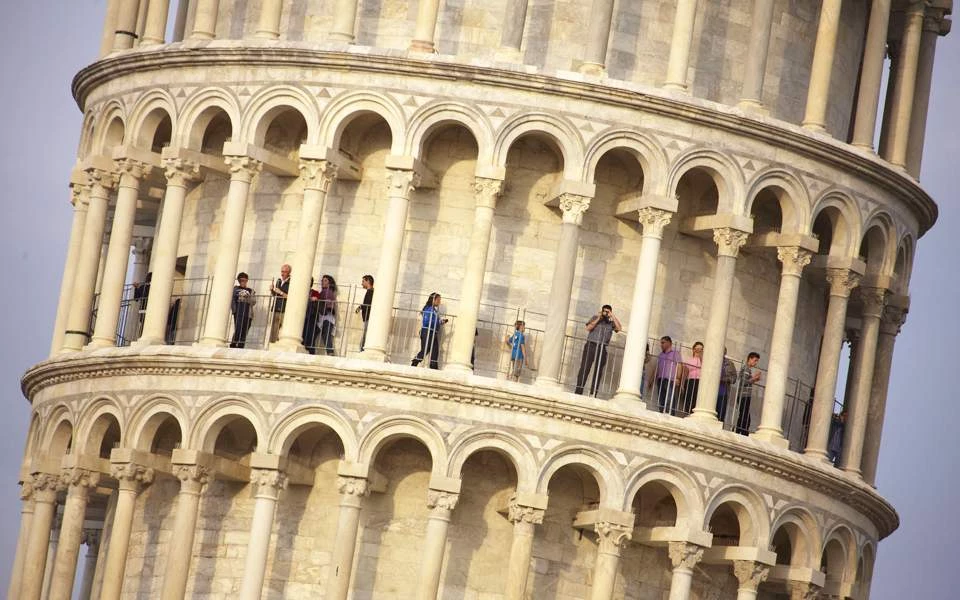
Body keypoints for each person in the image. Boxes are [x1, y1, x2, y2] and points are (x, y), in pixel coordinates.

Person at [574, 305, 622, 396]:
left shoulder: (611, 323)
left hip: (602, 347)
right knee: (584, 368)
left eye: (608, 311)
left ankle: (593, 393)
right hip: (591, 345)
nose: (606, 313)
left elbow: (619, 328)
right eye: (604, 311)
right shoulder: (595, 318)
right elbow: (588, 328)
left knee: (598, 371)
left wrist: (612, 316)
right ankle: (578, 391)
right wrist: (599, 317)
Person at [411, 292, 446, 369]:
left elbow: (433, 321)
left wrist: (441, 322)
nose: (439, 302)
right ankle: (415, 361)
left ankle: (433, 366)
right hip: (427, 332)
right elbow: (427, 322)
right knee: (425, 349)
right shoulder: (428, 309)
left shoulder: (434, 310)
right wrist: (438, 322)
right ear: (433, 300)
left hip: (433, 332)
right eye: (438, 300)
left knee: (435, 350)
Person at [654, 336, 683, 414]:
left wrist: (678, 378)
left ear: (669, 343)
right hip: (660, 379)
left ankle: (670, 414)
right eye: (661, 343)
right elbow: (657, 367)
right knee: (661, 398)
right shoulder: (660, 355)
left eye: (663, 343)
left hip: (670, 379)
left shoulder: (675, 353)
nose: (661, 345)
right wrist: (653, 379)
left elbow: (679, 365)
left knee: (670, 398)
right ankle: (662, 413)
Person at [736, 352, 762, 435]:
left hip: (745, 395)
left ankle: (740, 431)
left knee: (744, 415)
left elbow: (747, 382)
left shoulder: (747, 369)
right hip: (743, 395)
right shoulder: (746, 369)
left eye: (757, 361)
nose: (756, 363)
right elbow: (743, 382)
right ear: (750, 359)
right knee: (745, 416)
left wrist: (754, 379)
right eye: (755, 360)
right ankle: (741, 432)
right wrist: (754, 378)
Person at [230, 272, 255, 348]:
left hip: (248, 313)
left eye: (245, 280)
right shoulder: (235, 289)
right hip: (238, 312)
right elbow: (232, 299)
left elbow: (253, 302)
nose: (243, 282)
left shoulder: (250, 290)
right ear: (239, 281)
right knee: (238, 329)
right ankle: (233, 344)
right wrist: (234, 310)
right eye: (241, 280)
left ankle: (241, 345)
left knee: (245, 330)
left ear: (247, 280)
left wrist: (248, 297)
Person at [269, 264, 291, 343]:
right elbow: (275, 295)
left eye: (284, 272)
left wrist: (281, 292)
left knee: (283, 330)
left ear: (289, 272)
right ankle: (272, 344)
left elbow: (291, 297)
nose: (282, 273)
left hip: (284, 309)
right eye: (282, 271)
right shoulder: (278, 281)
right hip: (275, 307)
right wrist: (272, 290)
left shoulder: (291, 282)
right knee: (273, 329)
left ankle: (279, 344)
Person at [316, 275, 338, 355]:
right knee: (324, 334)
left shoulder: (328, 291)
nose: (322, 282)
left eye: (325, 280)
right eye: (322, 280)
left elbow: (329, 305)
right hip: (324, 316)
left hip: (326, 317)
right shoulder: (325, 291)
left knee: (325, 334)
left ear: (329, 282)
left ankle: (330, 352)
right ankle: (330, 352)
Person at [680, 341, 703, 416]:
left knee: (697, 400)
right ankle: (688, 414)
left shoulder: (704, 361)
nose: (698, 351)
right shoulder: (689, 360)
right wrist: (682, 384)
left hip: (699, 382)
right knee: (688, 399)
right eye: (697, 349)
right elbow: (685, 373)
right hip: (690, 381)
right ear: (693, 349)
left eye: (701, 349)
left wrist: (701, 357)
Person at [717, 347, 738, 423]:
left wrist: (725, 379)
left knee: (721, 414)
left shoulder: (730, 364)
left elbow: (734, 378)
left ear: (725, 353)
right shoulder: (712, 360)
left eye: (723, 351)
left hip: (723, 392)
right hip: (711, 392)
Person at [355, 274, 374, 351]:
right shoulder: (370, 292)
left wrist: (361, 307)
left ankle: (362, 350)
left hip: (368, 317)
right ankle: (362, 349)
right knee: (365, 334)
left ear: (368, 281)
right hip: (367, 317)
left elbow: (368, 304)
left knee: (366, 335)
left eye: (363, 281)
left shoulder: (371, 292)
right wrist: (360, 307)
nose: (362, 283)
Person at [302, 278, 321, 353]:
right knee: (303, 335)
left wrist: (312, 298)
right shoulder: (301, 292)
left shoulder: (315, 292)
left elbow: (317, 298)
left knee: (310, 335)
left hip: (311, 316)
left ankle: (310, 352)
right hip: (302, 316)